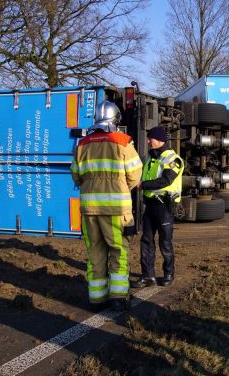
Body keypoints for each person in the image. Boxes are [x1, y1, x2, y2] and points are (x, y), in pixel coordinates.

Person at [70, 101, 142, 312]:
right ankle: (118, 298)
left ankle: (97, 299)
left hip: (89, 209)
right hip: (116, 209)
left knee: (95, 253)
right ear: (116, 121)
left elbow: (76, 175)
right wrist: (121, 188)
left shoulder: (82, 144)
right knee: (118, 252)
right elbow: (135, 175)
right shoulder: (122, 142)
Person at [131, 126, 184, 289]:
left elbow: (166, 181)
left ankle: (169, 274)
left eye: (150, 138)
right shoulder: (150, 157)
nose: (148, 141)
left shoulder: (173, 159)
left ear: (160, 140)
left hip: (164, 207)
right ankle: (148, 276)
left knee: (165, 242)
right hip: (151, 206)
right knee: (146, 241)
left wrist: (143, 185)